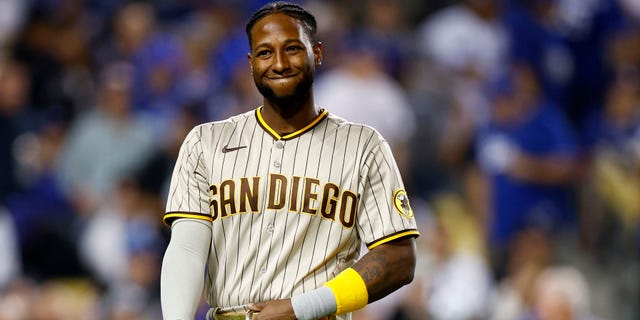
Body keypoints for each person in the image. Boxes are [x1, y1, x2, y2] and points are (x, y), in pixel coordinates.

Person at [159, 2, 419, 320]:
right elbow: (187, 248)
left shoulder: (363, 145)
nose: (279, 63)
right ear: (251, 63)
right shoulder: (206, 142)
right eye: (266, 53)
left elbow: (399, 259)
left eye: (292, 48)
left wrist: (303, 308)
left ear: (318, 53)